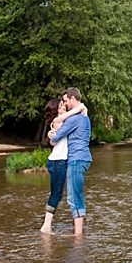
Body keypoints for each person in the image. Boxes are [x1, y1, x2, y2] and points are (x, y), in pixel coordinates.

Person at [49, 87, 92, 236]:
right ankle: (78, 232)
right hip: (83, 158)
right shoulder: (84, 116)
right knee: (77, 194)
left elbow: (55, 139)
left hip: (76, 159)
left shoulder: (74, 118)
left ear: (73, 99)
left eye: (66, 101)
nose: (65, 104)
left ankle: (78, 234)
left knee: (74, 195)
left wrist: (51, 134)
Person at [40, 96, 87, 234]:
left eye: (63, 104)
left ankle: (47, 225)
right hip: (57, 161)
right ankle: (46, 226)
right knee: (56, 194)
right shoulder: (57, 120)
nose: (64, 106)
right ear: (55, 109)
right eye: (61, 105)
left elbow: (55, 140)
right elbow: (72, 114)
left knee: (57, 193)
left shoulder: (63, 121)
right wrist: (81, 107)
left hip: (60, 161)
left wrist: (83, 109)